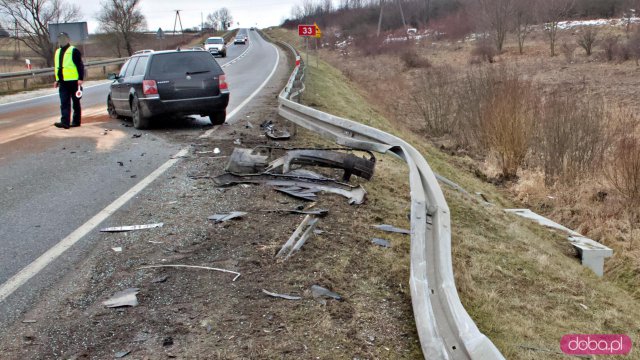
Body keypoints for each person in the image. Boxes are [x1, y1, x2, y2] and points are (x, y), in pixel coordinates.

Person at [53, 32, 84, 129]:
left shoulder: (73, 50)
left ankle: (76, 121)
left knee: (75, 102)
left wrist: (80, 78)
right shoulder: (57, 52)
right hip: (63, 81)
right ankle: (65, 122)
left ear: (68, 39)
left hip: (74, 81)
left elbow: (80, 65)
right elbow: (57, 67)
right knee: (64, 102)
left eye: (64, 38)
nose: (62, 40)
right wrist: (57, 80)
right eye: (60, 38)